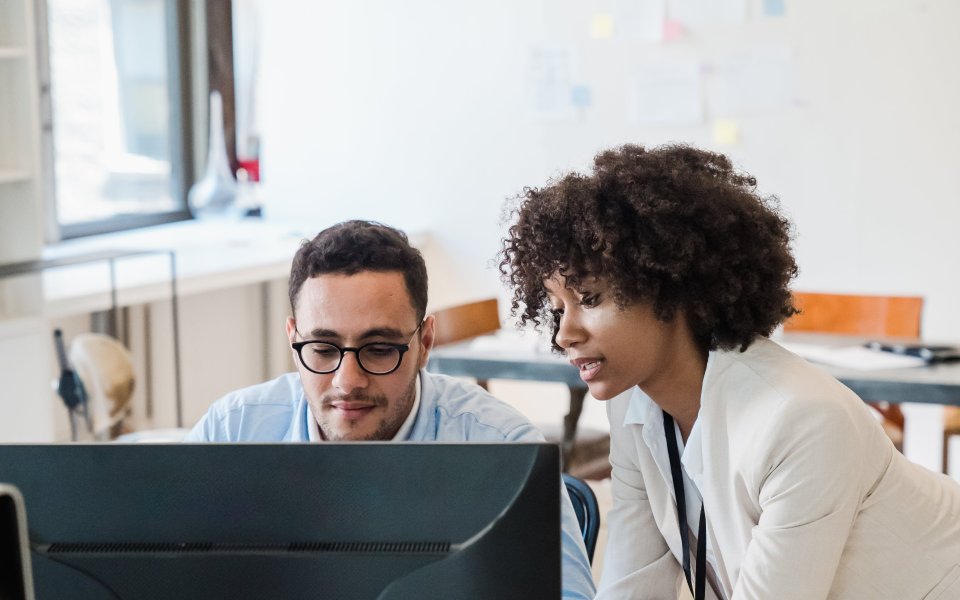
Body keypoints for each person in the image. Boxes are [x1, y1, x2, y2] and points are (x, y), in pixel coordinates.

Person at [499, 144, 960, 600]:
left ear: (667, 289)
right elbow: (632, 585)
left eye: (591, 299)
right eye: (558, 308)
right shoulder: (634, 408)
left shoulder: (800, 420)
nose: (564, 335)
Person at [185, 219, 595, 599]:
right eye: (323, 350)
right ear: (294, 339)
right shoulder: (232, 431)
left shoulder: (501, 448)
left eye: (380, 350)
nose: (348, 381)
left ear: (425, 343)